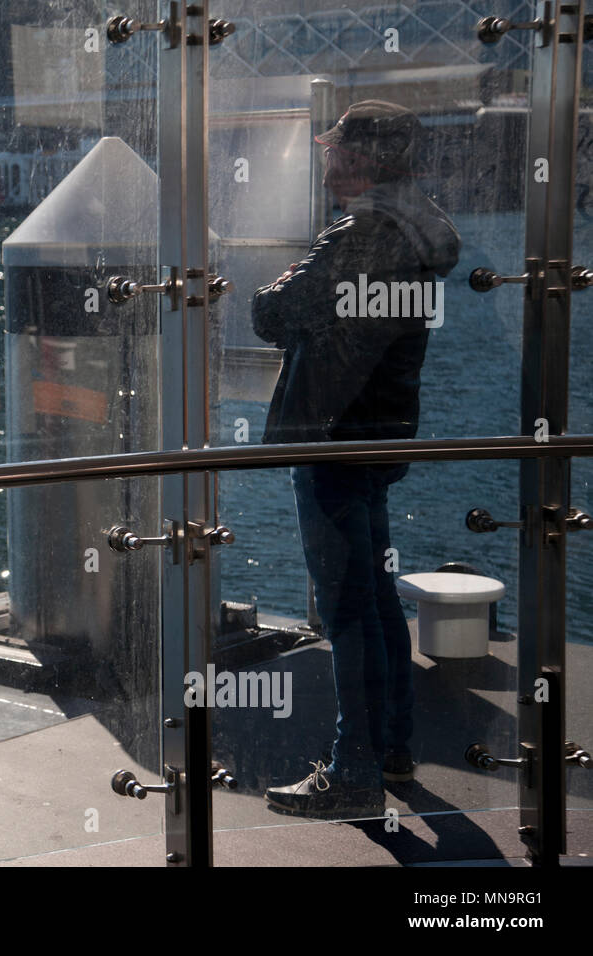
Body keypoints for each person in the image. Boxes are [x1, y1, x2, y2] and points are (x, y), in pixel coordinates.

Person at [251, 100, 461, 818]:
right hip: (379, 431)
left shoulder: (363, 233)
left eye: (335, 144)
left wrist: (283, 283)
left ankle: (354, 774)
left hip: (335, 433)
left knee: (347, 609)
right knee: (373, 597)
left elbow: (273, 314)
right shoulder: (414, 226)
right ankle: (392, 748)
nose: (324, 151)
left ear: (366, 158)